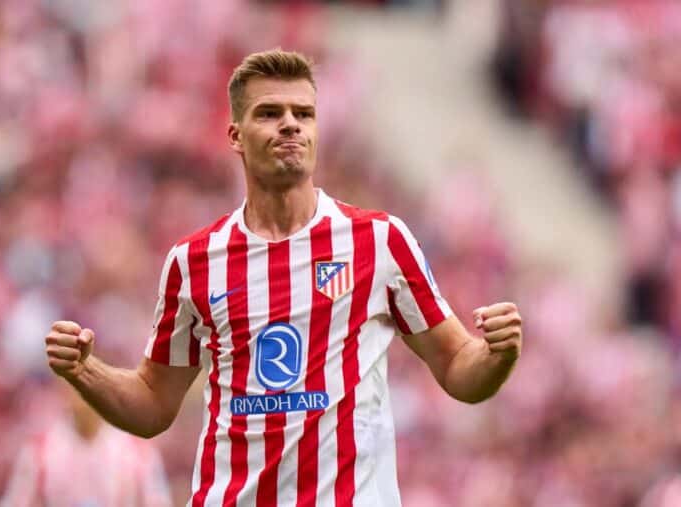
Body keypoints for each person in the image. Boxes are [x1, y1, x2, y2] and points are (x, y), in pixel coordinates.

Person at [44, 49, 523, 506]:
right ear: (235, 135)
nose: (291, 123)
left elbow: (458, 368)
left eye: (304, 113)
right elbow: (152, 403)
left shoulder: (379, 241)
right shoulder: (195, 260)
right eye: (270, 112)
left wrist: (496, 355)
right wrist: (84, 371)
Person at [0, 380, 174, 507]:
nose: (85, 398)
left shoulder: (138, 451)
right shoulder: (39, 451)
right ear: (65, 392)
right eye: (77, 387)